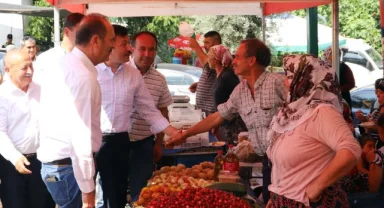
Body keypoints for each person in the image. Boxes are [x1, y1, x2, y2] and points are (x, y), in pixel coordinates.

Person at [167, 38, 286, 203]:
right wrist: (185, 134)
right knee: (268, 201)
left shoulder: (277, 83)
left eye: (237, 57)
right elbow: (217, 116)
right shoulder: (240, 91)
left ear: (251, 61)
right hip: (267, 161)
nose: (233, 61)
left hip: (288, 162)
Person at [95, 28, 179, 208]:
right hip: (92, 140)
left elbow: (149, 110)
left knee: (117, 197)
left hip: (120, 142)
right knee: (91, 197)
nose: (129, 49)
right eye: (124, 44)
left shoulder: (133, 75)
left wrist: (172, 132)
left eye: (128, 43)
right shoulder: (92, 71)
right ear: (110, 45)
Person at [37, 13, 115, 208]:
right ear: (96, 41)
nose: (113, 46)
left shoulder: (66, 65)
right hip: (68, 167)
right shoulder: (82, 76)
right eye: (111, 40)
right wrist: (88, 192)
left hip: (63, 166)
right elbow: (80, 138)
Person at [266, 54, 361, 207]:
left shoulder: (322, 112)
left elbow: (350, 150)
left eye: (290, 76)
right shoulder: (292, 113)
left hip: (309, 202)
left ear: (304, 80)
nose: (285, 82)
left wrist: (316, 187)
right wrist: (277, 193)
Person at [0, 49, 55, 208]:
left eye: (31, 66)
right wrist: (15, 157)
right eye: (24, 68)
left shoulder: (41, 90)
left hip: (41, 161)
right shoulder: (3, 95)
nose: (30, 71)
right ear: (8, 70)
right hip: (12, 164)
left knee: (44, 203)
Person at [128, 31, 174, 202]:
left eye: (152, 50)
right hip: (116, 143)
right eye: (142, 49)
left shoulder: (159, 79)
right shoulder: (119, 71)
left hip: (143, 144)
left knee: (141, 193)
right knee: (110, 192)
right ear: (132, 49)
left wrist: (159, 143)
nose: (147, 54)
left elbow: (163, 111)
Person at [206, 44, 246, 143]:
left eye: (209, 57)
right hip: (224, 121)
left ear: (215, 60)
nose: (207, 59)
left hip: (233, 125)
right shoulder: (220, 75)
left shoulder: (227, 76)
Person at [35, 13, 85, 83]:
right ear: (66, 31)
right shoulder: (46, 59)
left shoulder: (85, 60)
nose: (85, 36)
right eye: (81, 32)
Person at [189, 31, 221, 115]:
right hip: (203, 109)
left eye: (207, 42)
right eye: (204, 42)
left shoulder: (220, 57)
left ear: (216, 43)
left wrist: (196, 47)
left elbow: (208, 64)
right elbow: (216, 80)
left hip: (211, 109)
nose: (204, 45)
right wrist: (199, 85)